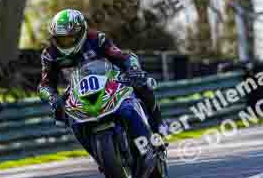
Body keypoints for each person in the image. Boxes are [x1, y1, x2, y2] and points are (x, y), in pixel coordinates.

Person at [37, 9, 167, 163]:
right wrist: (53, 97)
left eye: (70, 38)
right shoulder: (50, 54)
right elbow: (44, 85)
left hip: (108, 80)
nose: (66, 42)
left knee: (142, 84)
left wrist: (133, 70)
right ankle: (100, 157)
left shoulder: (96, 39)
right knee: (64, 114)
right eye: (61, 39)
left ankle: (158, 125)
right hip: (78, 91)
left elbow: (123, 56)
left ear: (81, 32)